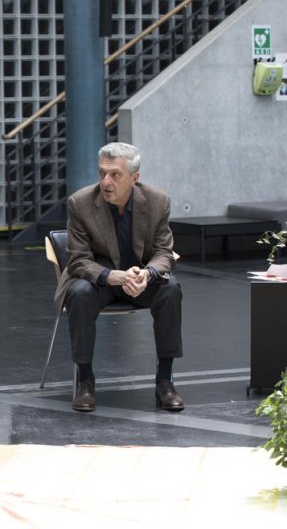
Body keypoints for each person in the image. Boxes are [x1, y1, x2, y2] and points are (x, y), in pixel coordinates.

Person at [54, 142, 184, 413]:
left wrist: (148, 274)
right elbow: (77, 260)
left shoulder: (158, 201)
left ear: (135, 178)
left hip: (139, 280)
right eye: (102, 173)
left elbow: (164, 253)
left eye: (115, 175)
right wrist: (111, 276)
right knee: (78, 292)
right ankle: (85, 381)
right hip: (98, 281)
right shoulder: (80, 203)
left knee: (170, 288)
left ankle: (165, 382)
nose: (105, 181)